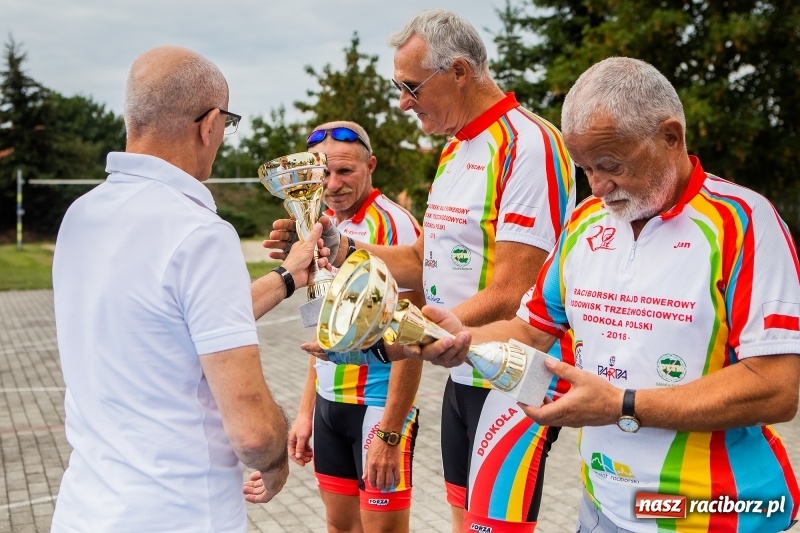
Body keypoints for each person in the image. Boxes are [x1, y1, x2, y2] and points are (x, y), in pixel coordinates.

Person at [413, 56, 800, 533]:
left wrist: (624, 405)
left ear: (670, 137)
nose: (598, 186)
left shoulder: (745, 223)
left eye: (611, 165)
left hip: (715, 513)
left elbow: (778, 389)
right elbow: (530, 329)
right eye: (586, 169)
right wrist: (467, 339)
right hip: (602, 508)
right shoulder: (585, 222)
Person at [267, 10, 576, 533]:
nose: (403, 102)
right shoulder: (456, 148)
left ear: (458, 71)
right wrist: (339, 247)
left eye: (410, 87)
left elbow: (516, 289)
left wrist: (399, 337)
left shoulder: (528, 143)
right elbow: (419, 260)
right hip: (460, 373)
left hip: (509, 375)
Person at [51, 45, 329, 533]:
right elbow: (250, 431)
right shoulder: (200, 232)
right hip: (179, 515)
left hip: (84, 510)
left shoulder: (81, 216)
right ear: (209, 124)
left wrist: (287, 277)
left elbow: (177, 322)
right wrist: (276, 455)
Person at [289, 120, 424, 533]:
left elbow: (413, 337)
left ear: (371, 166)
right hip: (331, 405)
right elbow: (325, 330)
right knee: (340, 528)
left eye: (345, 171)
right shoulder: (320, 225)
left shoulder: (395, 226)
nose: (332, 183)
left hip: (378, 406)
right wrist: (305, 413)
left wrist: (389, 433)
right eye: (323, 173)